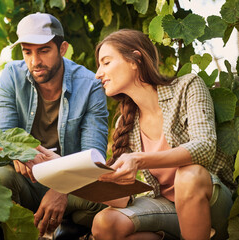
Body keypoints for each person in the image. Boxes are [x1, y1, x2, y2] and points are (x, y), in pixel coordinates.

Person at [91, 29, 236, 240]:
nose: (98, 73)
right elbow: (122, 202)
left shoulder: (187, 86)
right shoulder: (126, 122)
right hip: (168, 209)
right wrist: (88, 181)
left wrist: (139, 160)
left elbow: (204, 147)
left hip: (212, 203)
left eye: (106, 62)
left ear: (135, 60)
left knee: (188, 175)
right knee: (105, 223)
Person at [0, 12, 109, 239]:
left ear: (62, 48)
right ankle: (9, 233)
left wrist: (61, 188)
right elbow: (1, 135)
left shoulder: (90, 86)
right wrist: (17, 150)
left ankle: (70, 230)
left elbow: (93, 156)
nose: (35, 61)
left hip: (73, 183)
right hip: (26, 179)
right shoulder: (11, 76)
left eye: (44, 50)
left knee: (106, 199)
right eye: (27, 52)